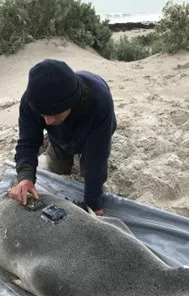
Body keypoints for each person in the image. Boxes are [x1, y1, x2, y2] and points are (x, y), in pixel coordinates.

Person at [8, 59, 116, 216]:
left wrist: (93, 203)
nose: (47, 121)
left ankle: (72, 146)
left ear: (71, 103)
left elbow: (97, 155)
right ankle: (54, 143)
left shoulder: (99, 100)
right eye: (43, 114)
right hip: (61, 131)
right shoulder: (31, 101)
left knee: (90, 163)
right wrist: (25, 178)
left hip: (95, 123)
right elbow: (27, 142)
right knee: (59, 165)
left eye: (53, 114)